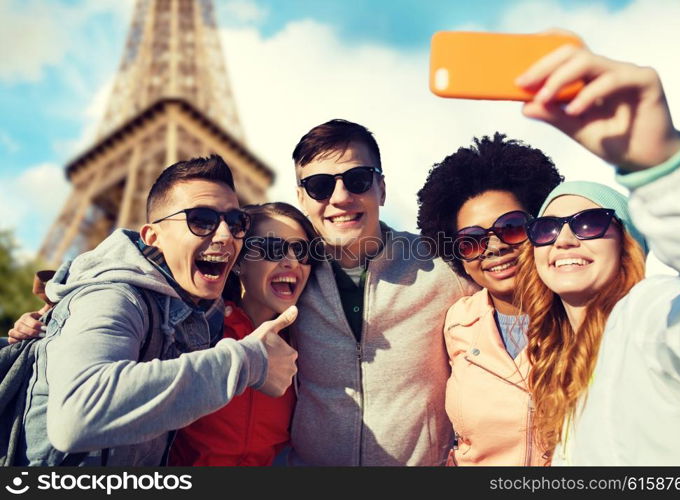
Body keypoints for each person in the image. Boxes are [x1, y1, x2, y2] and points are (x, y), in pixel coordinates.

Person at [9, 155, 298, 466]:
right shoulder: (113, 295)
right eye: (201, 220)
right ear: (152, 237)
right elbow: (77, 415)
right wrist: (249, 362)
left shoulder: (203, 311)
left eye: (236, 222)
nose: (226, 235)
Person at [514, 43, 680, 464]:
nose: (564, 240)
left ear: (627, 242)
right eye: (546, 228)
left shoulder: (654, 314)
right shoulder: (552, 360)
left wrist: (664, 167)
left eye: (588, 223)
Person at [289, 119, 478, 465]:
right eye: (319, 186)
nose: (341, 198)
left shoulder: (441, 267)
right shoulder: (288, 276)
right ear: (301, 198)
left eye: (357, 179)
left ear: (381, 188)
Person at [416, 133, 563, 465]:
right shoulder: (456, 322)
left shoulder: (584, 314)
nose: (494, 247)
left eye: (511, 227)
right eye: (471, 240)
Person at [168, 202, 318, 466]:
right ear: (238, 262)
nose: (292, 261)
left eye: (302, 251)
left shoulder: (306, 349)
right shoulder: (194, 331)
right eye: (274, 249)